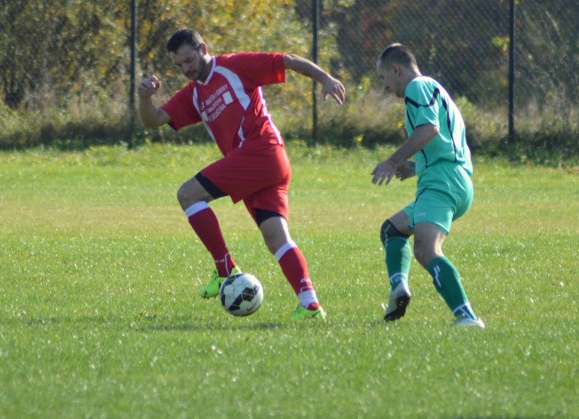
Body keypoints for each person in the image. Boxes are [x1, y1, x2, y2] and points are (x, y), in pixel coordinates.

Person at [137, 28, 346, 320]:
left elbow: (287, 59)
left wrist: (325, 78)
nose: (186, 69)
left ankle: (225, 269)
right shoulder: (194, 94)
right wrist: (145, 99)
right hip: (264, 165)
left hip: (261, 151)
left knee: (188, 194)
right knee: (276, 238)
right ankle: (309, 303)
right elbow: (154, 120)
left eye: (189, 60)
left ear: (203, 48)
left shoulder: (233, 67)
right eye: (179, 66)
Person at [371, 43, 484, 328]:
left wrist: (392, 161)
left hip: (442, 182)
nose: (384, 86)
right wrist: (412, 168)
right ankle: (399, 287)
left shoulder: (416, 87)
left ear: (396, 69)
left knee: (426, 250)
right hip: (448, 178)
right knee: (392, 229)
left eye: (383, 78)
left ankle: (467, 316)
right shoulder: (433, 87)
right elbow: (441, 137)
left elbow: (429, 129)